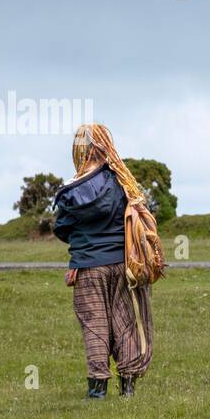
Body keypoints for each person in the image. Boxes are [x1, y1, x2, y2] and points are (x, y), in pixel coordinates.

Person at [52, 123, 155, 399]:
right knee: (126, 322)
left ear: (80, 150)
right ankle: (128, 387)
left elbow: (61, 228)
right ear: (104, 145)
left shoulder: (71, 192)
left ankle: (97, 390)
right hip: (124, 265)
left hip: (87, 266)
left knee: (94, 324)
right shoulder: (123, 182)